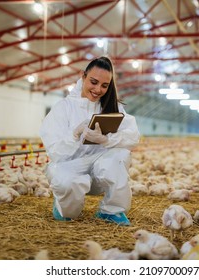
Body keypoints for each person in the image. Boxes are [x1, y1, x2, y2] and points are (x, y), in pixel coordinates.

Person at [39, 56, 140, 226]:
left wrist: (107, 139)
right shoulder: (64, 108)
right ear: (83, 76)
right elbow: (55, 151)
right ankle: (65, 207)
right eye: (93, 82)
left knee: (121, 154)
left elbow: (133, 137)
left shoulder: (112, 107)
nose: (98, 89)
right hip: (71, 166)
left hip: (100, 170)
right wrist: (74, 135)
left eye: (104, 85)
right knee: (67, 191)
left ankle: (111, 211)